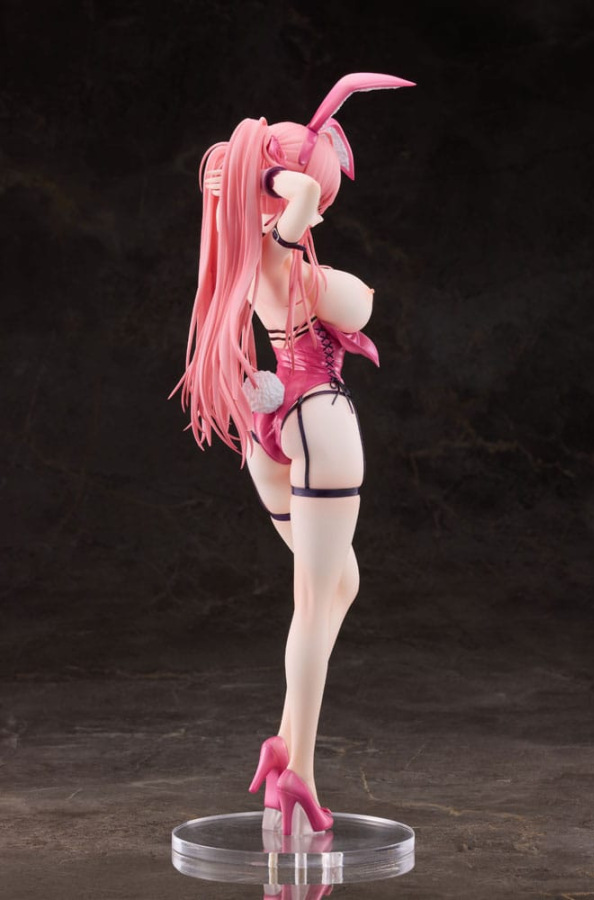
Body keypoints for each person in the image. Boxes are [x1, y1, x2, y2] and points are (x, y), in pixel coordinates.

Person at [172, 72, 415, 835]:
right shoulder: (281, 257)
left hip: (272, 433)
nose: (321, 206)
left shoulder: (239, 259)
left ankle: (286, 750)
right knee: (314, 601)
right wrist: (284, 179)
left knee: (339, 583)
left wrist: (259, 175)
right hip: (317, 418)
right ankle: (296, 768)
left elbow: (241, 180)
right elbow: (350, 286)